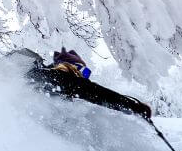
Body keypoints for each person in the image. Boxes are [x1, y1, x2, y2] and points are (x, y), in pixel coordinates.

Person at [23, 47, 153, 121]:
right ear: (69, 66)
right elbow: (97, 94)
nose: (84, 77)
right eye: (82, 71)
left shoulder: (44, 77)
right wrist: (134, 107)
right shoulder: (61, 78)